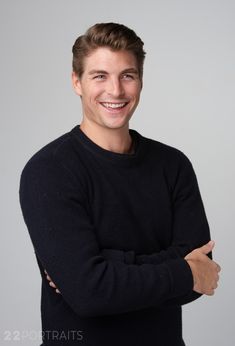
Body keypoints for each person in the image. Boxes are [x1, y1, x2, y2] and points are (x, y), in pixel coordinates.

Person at [19, 22, 221, 346]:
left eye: (127, 75)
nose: (115, 90)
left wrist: (106, 268)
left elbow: (203, 273)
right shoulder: (49, 171)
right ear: (77, 82)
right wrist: (181, 271)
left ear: (141, 81)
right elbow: (89, 294)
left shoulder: (173, 165)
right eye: (99, 76)